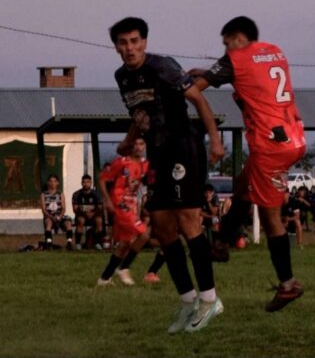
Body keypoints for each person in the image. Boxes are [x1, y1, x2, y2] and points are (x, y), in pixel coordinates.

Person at [109, 17, 225, 333]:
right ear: (116, 47)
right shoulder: (122, 77)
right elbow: (141, 113)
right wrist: (129, 140)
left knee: (188, 221)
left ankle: (210, 300)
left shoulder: (163, 67)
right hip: (157, 152)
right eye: (123, 42)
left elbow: (198, 99)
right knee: (161, 226)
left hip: (183, 146)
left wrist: (215, 140)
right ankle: (188, 301)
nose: (130, 48)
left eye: (135, 41)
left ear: (144, 42)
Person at [194, 16, 306, 312]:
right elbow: (250, 76)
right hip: (293, 136)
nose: (225, 48)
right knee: (243, 185)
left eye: (227, 42)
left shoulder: (236, 58)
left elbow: (197, 88)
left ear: (239, 39)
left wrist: (192, 81)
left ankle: (288, 284)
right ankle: (221, 243)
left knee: (270, 218)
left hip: (270, 145)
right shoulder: (274, 51)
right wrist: (210, 72)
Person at [96, 137, 151, 286]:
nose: (138, 147)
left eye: (141, 144)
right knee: (144, 234)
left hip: (132, 205)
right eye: (135, 144)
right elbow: (102, 179)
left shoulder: (145, 164)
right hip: (120, 203)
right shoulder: (121, 162)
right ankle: (124, 267)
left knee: (124, 244)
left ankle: (104, 278)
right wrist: (107, 200)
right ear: (130, 147)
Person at [40, 174, 74, 251]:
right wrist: (51, 217)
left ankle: (69, 243)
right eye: (51, 181)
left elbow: (63, 208)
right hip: (49, 215)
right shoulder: (43, 194)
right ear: (48, 183)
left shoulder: (60, 194)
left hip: (59, 215)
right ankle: (49, 243)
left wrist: (60, 216)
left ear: (57, 183)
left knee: (68, 223)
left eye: (54, 181)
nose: (53, 183)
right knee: (48, 223)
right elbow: (44, 209)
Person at [72, 174, 105, 250]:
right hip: (82, 215)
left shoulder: (96, 194)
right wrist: (85, 213)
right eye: (84, 182)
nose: (86, 184)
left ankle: (98, 243)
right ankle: (78, 243)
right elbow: (75, 209)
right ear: (81, 183)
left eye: (88, 182)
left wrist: (93, 213)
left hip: (94, 215)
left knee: (99, 220)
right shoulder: (76, 194)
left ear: (91, 183)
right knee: (81, 220)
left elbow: (100, 208)